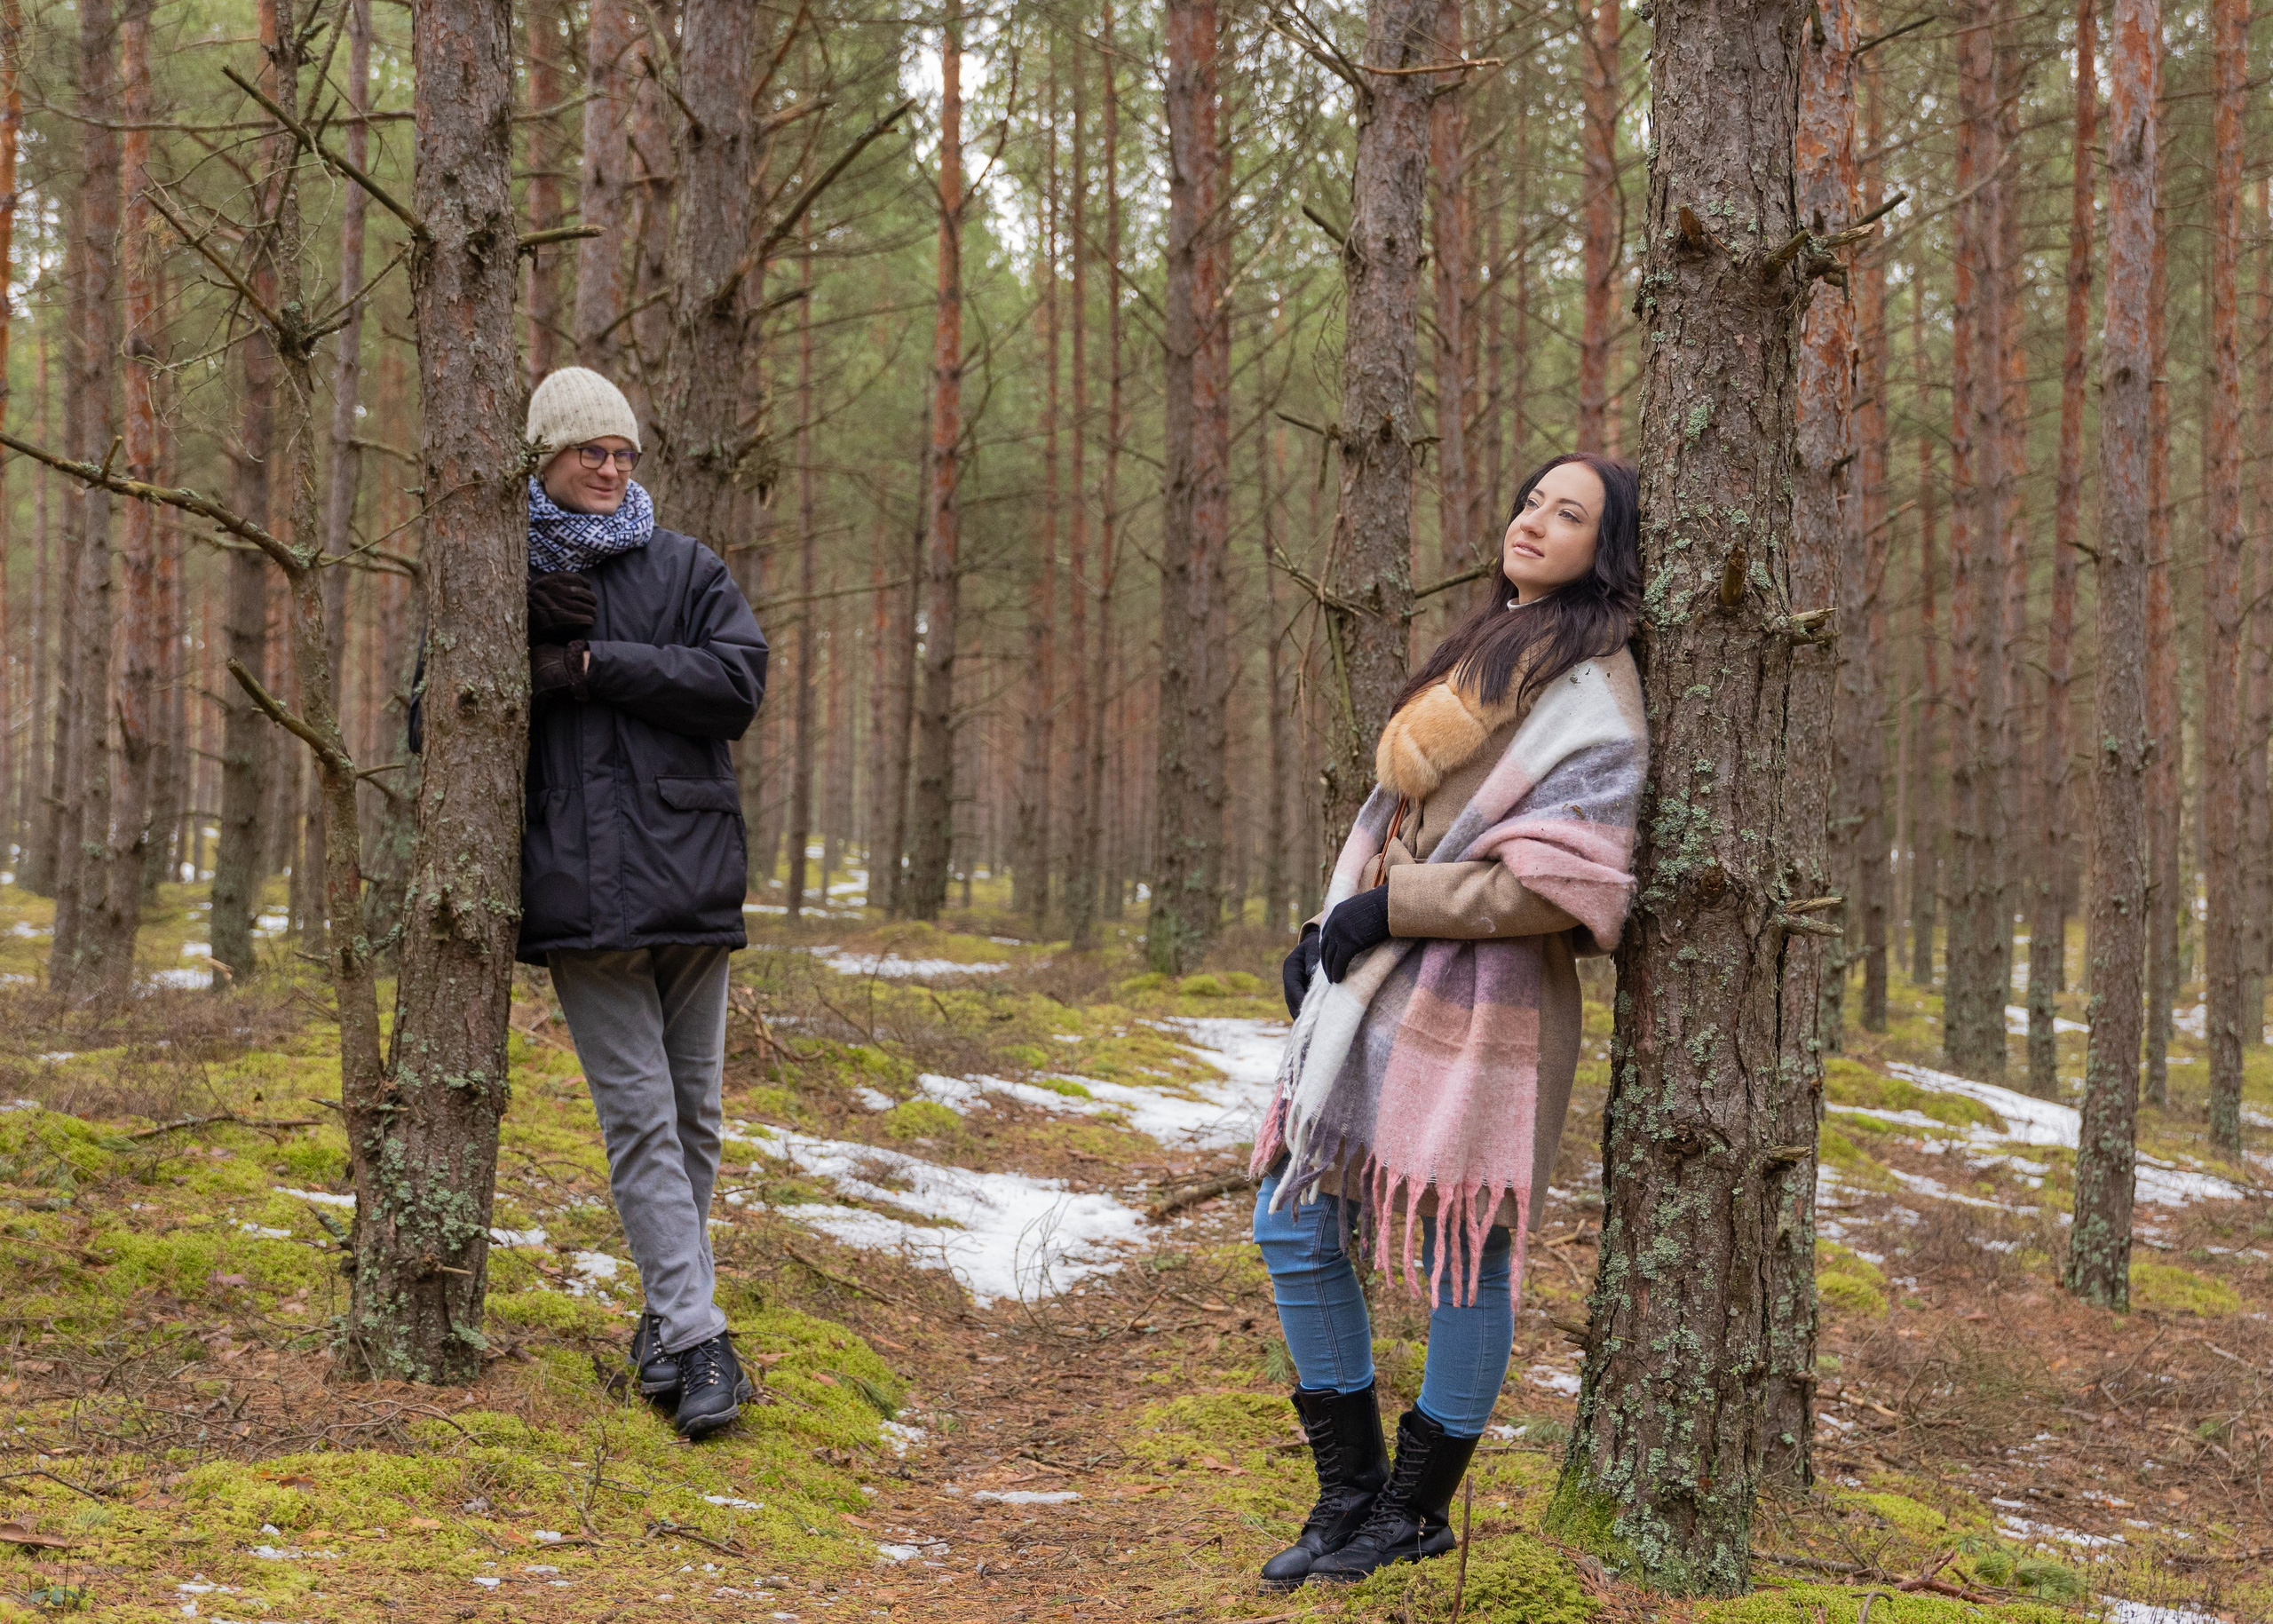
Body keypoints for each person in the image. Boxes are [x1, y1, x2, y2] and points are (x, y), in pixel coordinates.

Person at [1247, 453, 1648, 1588]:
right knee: (1293, 1224)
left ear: (1601, 552)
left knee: (1465, 1254)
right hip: (1378, 985)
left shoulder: (1595, 689)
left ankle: (1414, 1509)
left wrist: (1391, 906)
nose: (1535, 520)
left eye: (1569, 514)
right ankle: (1348, 1495)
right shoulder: (1489, 650)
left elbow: (1564, 888)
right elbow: (1406, 820)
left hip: (1485, 1009)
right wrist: (1333, 926)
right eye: (1531, 498)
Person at [516, 367, 769, 1439]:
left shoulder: (686, 565)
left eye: (623, 452)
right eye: (589, 453)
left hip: (690, 870)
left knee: (696, 1116)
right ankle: (702, 1338)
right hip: (581, 890)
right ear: (546, 460)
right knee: (639, 1119)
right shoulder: (499, 573)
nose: (611, 470)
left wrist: (595, 662)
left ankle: (669, 1322)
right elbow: (438, 723)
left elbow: (736, 683)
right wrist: (520, 651)